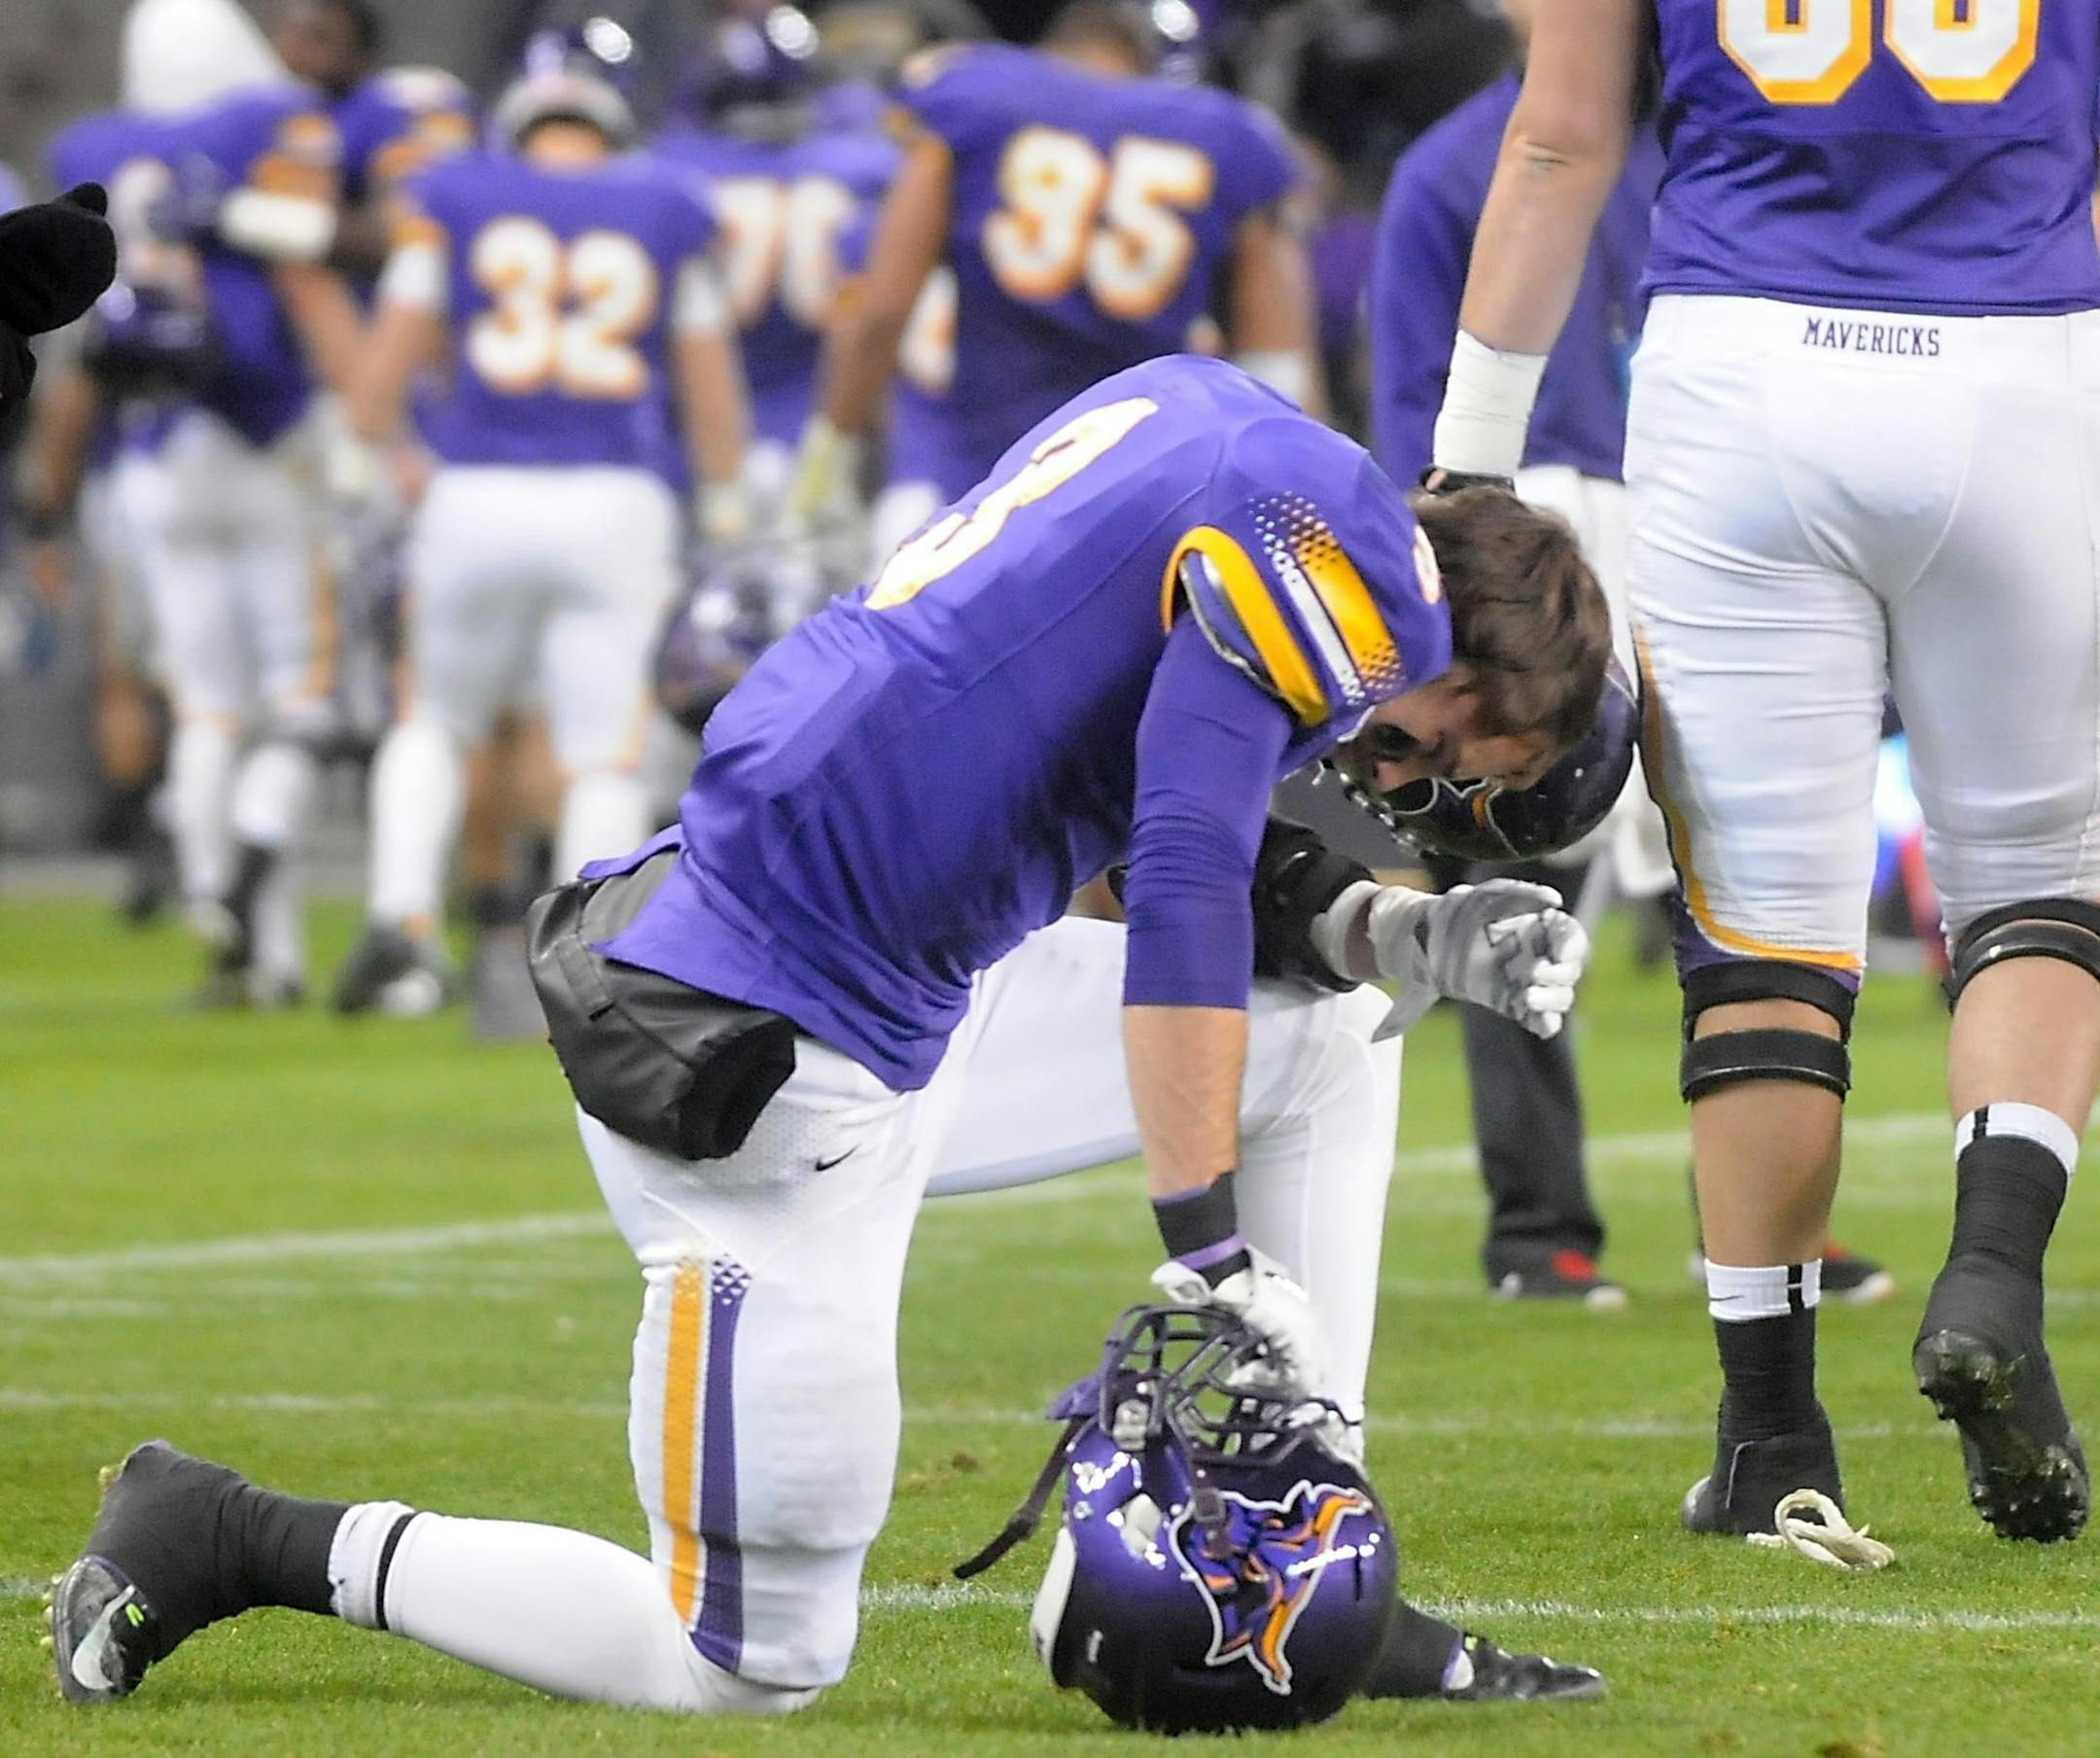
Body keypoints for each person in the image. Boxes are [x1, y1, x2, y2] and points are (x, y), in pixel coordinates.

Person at [52, 353, 1611, 1712]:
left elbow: (1097, 768)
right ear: (1463, 655)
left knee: (1334, 1042)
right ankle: (232, 1531)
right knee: (746, 1662)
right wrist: (1205, 1251)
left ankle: (1300, 1542)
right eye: (1453, 754)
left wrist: (1381, 929)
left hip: (899, 978)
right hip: (765, 1060)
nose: (1402, 782)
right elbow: (1189, 868)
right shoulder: (1356, 593)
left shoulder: (1212, 417)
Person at [1430, 0, 2100, 1543]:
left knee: (1764, 940)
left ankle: (1773, 1435)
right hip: (2023, 360)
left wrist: (1467, 464)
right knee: (2034, 894)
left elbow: (1558, 133)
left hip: (1740, 376)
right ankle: (1993, 1273)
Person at [330, 29, 752, 1013]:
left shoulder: (456, 192)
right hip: (617, 500)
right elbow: (705, 372)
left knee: (432, 716)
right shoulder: (666, 203)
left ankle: (405, 924)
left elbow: (390, 352)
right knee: (603, 746)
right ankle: (584, 958)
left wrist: (358, 456)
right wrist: (728, 497)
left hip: (476, 491)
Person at [795, 0, 1323, 564]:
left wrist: (830, 458)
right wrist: (1305, 520)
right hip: (1145, 498)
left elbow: (880, 314)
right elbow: (1277, 368)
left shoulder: (975, 94)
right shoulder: (1227, 133)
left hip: (982, 482)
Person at [107, 0, 364, 1007]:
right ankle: (255, 858)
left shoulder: (110, 145)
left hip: (157, 449)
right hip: (264, 434)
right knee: (302, 696)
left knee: (207, 703)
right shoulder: (266, 120)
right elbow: (313, 247)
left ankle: (240, 932)